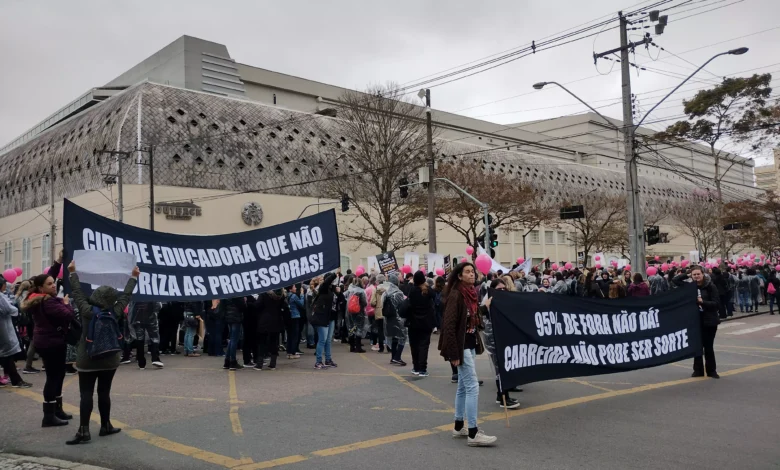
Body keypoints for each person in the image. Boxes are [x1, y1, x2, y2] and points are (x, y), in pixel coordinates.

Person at [65, 260, 139, 445]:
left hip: (87, 357)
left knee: (86, 393)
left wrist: (73, 273)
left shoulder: (87, 310)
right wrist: (133, 277)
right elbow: (126, 296)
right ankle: (106, 425)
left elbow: (77, 293)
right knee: (104, 392)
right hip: (110, 357)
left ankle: (83, 431)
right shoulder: (115, 310)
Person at [439, 262, 497, 447]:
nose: (472, 274)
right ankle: (473, 432)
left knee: (464, 387)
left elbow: (471, 317)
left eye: (473, 271)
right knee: (472, 386)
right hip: (461, 346)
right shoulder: (456, 295)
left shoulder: (470, 294)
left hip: (470, 343)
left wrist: (484, 307)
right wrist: (454, 354)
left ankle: (458, 426)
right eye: (467, 272)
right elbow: (448, 326)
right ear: (459, 275)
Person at [23, 255, 75, 427]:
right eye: (50, 284)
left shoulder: (39, 296)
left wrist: (58, 262)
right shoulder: (48, 302)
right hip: (51, 343)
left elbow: (46, 278)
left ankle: (57, 410)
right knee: (53, 377)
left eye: (54, 282)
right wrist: (67, 304)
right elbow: (68, 315)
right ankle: (49, 415)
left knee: (59, 375)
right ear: (41, 288)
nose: (54, 285)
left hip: (48, 341)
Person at [673, 266, 720, 379]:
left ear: (703, 274)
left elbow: (716, 304)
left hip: (709, 321)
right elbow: (675, 280)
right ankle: (698, 370)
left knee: (708, 347)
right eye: (694, 275)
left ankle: (711, 370)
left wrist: (702, 302)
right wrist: (687, 274)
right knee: (697, 346)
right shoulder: (690, 286)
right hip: (695, 320)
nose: (696, 276)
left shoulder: (710, 286)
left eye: (698, 274)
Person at [0, 274, 31, 388]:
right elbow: (9, 309)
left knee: (5, 356)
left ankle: (15, 379)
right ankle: (16, 380)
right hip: (4, 327)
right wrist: (15, 310)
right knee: (6, 355)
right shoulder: (1, 296)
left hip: (4, 326)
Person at [407, 271, 435, 377]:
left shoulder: (412, 290)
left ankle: (416, 367)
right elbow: (434, 295)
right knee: (424, 345)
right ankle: (423, 369)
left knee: (414, 345)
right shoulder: (427, 290)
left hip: (413, 322)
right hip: (426, 322)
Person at [254, 290, 286, 371]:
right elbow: (283, 306)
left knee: (262, 342)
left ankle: (259, 364)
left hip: (264, 320)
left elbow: (257, 305)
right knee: (274, 342)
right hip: (276, 320)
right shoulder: (281, 295)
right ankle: (273, 364)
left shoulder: (264, 294)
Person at [311, 272, 338, 369]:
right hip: (322, 317)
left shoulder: (331, 290)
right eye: (331, 280)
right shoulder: (323, 288)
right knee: (322, 340)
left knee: (328, 340)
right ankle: (318, 362)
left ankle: (328, 359)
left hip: (330, 317)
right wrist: (335, 274)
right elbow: (327, 282)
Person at [127, 302, 163, 369]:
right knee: (154, 338)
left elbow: (131, 309)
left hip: (137, 319)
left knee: (140, 339)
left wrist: (131, 321)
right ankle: (155, 358)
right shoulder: (151, 293)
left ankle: (141, 362)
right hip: (151, 318)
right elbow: (158, 306)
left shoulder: (136, 295)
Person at [383, 274, 408, 366]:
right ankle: (397, 357)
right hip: (398, 318)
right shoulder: (399, 293)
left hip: (389, 318)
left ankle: (393, 357)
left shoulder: (386, 292)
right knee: (402, 337)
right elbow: (402, 306)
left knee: (394, 337)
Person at [344, 275, 368, 353]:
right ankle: (358, 347)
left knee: (351, 328)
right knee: (359, 328)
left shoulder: (349, 291)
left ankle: (352, 346)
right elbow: (364, 303)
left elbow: (343, 297)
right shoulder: (361, 291)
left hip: (349, 311)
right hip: (359, 312)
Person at [222, 297, 245, 370]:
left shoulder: (228, 294)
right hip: (236, 317)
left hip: (228, 317)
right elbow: (242, 307)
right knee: (234, 340)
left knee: (232, 339)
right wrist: (244, 302)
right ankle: (233, 361)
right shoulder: (238, 295)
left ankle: (227, 361)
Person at [286, 285, 304, 359]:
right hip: (295, 316)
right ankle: (293, 352)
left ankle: (289, 352)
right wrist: (302, 295)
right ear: (290, 289)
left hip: (288, 317)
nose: (296, 288)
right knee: (295, 335)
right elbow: (301, 304)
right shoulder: (294, 296)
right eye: (294, 287)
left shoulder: (286, 295)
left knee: (289, 335)